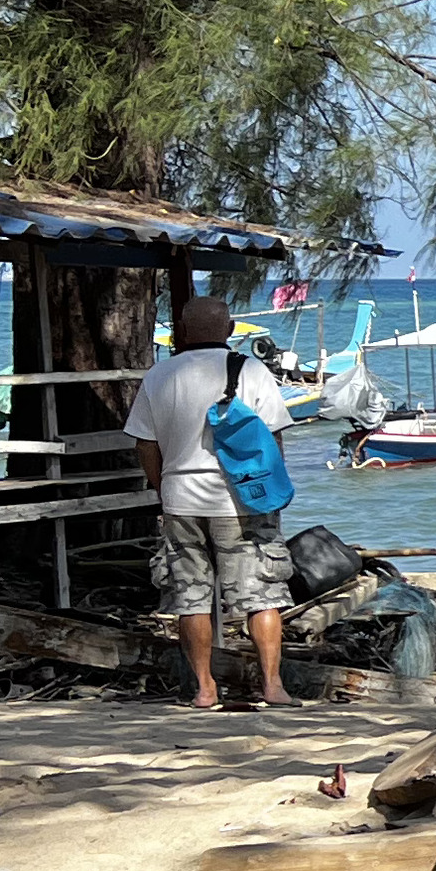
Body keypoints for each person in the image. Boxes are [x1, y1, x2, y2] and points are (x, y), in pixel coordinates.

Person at [125, 297, 298, 709]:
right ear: (231, 328)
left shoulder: (159, 375)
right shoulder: (252, 371)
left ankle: (204, 688)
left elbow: (145, 446)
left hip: (181, 499)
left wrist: (161, 488)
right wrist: (269, 493)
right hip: (240, 500)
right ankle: (272, 686)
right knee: (262, 595)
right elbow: (272, 440)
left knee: (191, 598)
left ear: (181, 331)